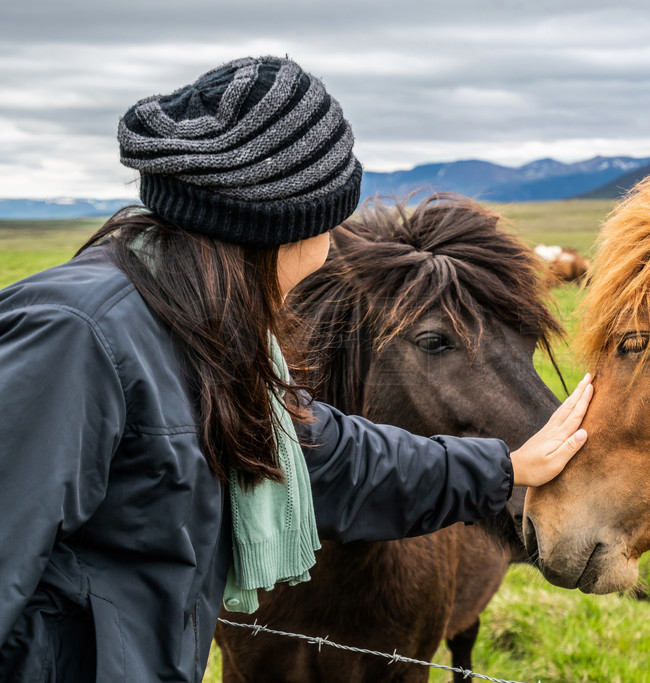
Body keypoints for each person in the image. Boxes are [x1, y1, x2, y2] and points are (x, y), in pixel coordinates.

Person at [0, 56, 592, 682]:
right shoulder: (77, 336)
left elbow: (318, 458)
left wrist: (503, 466)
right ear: (278, 229)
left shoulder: (197, 332)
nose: (333, 247)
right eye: (329, 223)